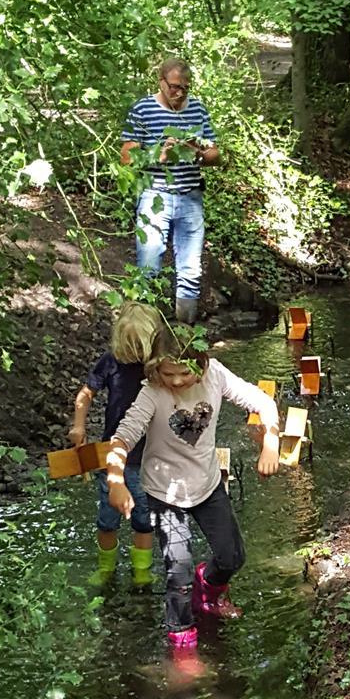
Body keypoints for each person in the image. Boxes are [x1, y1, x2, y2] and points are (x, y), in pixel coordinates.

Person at [105, 324, 280, 655]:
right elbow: (121, 438)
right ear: (155, 368)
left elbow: (263, 402)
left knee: (232, 556)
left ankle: (209, 592)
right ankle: (181, 637)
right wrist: (116, 480)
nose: (175, 382)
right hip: (164, 493)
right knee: (178, 570)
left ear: (201, 363)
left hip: (207, 484)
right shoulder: (152, 393)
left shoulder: (216, 375)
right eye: (167, 373)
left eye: (184, 373)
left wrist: (270, 442)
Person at [120, 58, 220, 326]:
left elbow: (215, 154)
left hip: (190, 196)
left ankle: (185, 332)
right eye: (174, 87)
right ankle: (144, 332)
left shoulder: (197, 110)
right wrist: (159, 155)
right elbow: (126, 158)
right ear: (161, 82)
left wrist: (197, 153)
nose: (180, 93)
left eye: (185, 88)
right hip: (154, 195)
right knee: (148, 267)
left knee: (191, 271)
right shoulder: (143, 109)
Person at [69, 301, 162, 587]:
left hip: (149, 457)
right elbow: (86, 394)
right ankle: (106, 569)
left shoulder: (159, 366)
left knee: (144, 520)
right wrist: (79, 425)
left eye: (140, 345)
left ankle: (141, 571)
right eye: (129, 345)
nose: (135, 353)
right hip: (112, 455)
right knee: (107, 520)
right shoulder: (111, 361)